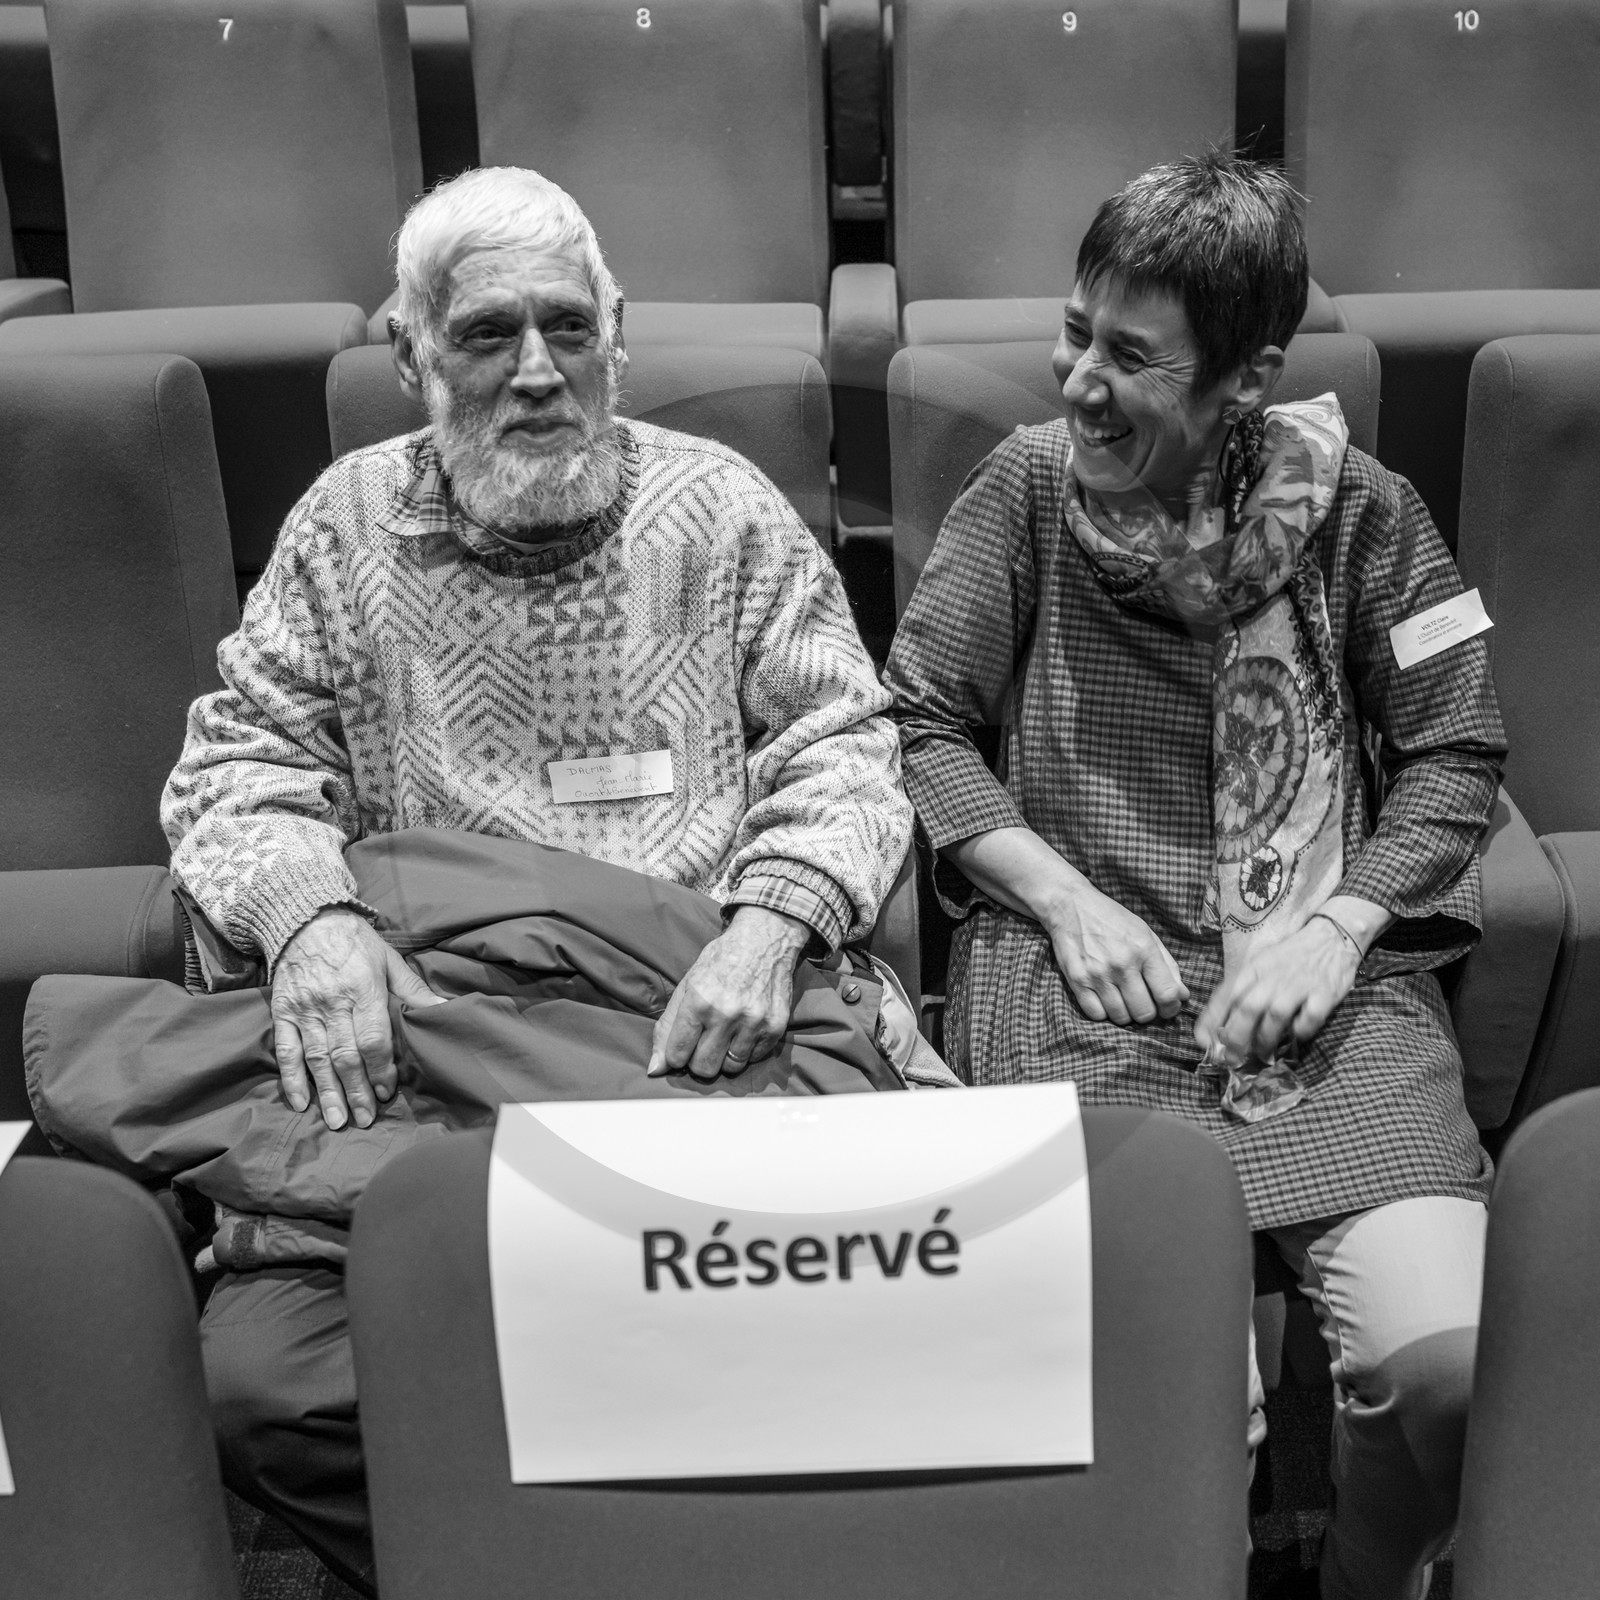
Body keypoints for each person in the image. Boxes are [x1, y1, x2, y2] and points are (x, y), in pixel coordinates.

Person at [161, 165, 911, 1592]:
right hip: (442, 1057)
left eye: (568, 328)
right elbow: (237, 763)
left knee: (840, 1344)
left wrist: (772, 926)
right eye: (488, 334)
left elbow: (846, 748)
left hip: (693, 1042)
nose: (537, 374)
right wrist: (306, 919)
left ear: (618, 333)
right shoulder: (341, 527)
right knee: (260, 1383)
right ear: (412, 354)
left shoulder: (725, 514)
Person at [884, 152, 1505, 1600]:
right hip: (1082, 1001)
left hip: (1320, 1007)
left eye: (1132, 356)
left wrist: (1342, 929)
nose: (1078, 378)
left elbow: (1458, 749)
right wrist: (1061, 896)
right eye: (1076, 331)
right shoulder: (1025, 489)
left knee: (1453, 1372)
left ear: (1248, 374)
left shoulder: (1365, 513)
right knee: (1160, 1421)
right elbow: (915, 718)